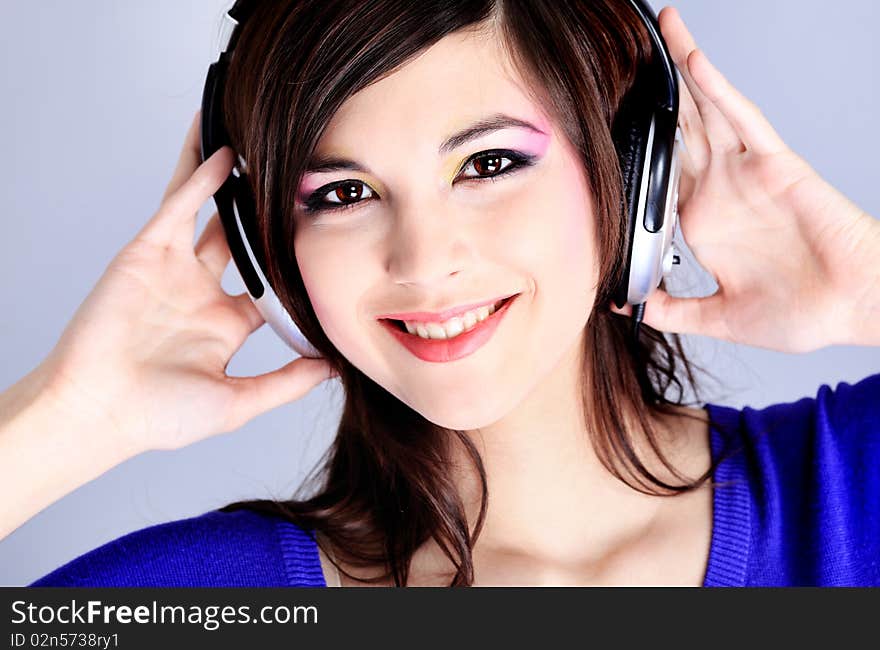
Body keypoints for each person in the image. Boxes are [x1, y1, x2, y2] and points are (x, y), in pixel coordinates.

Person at [4, 1, 878, 587]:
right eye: (342, 193)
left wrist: (865, 287)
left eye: (488, 163)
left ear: (627, 169)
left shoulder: (846, 488)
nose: (421, 262)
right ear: (272, 252)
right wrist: (70, 416)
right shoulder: (213, 595)